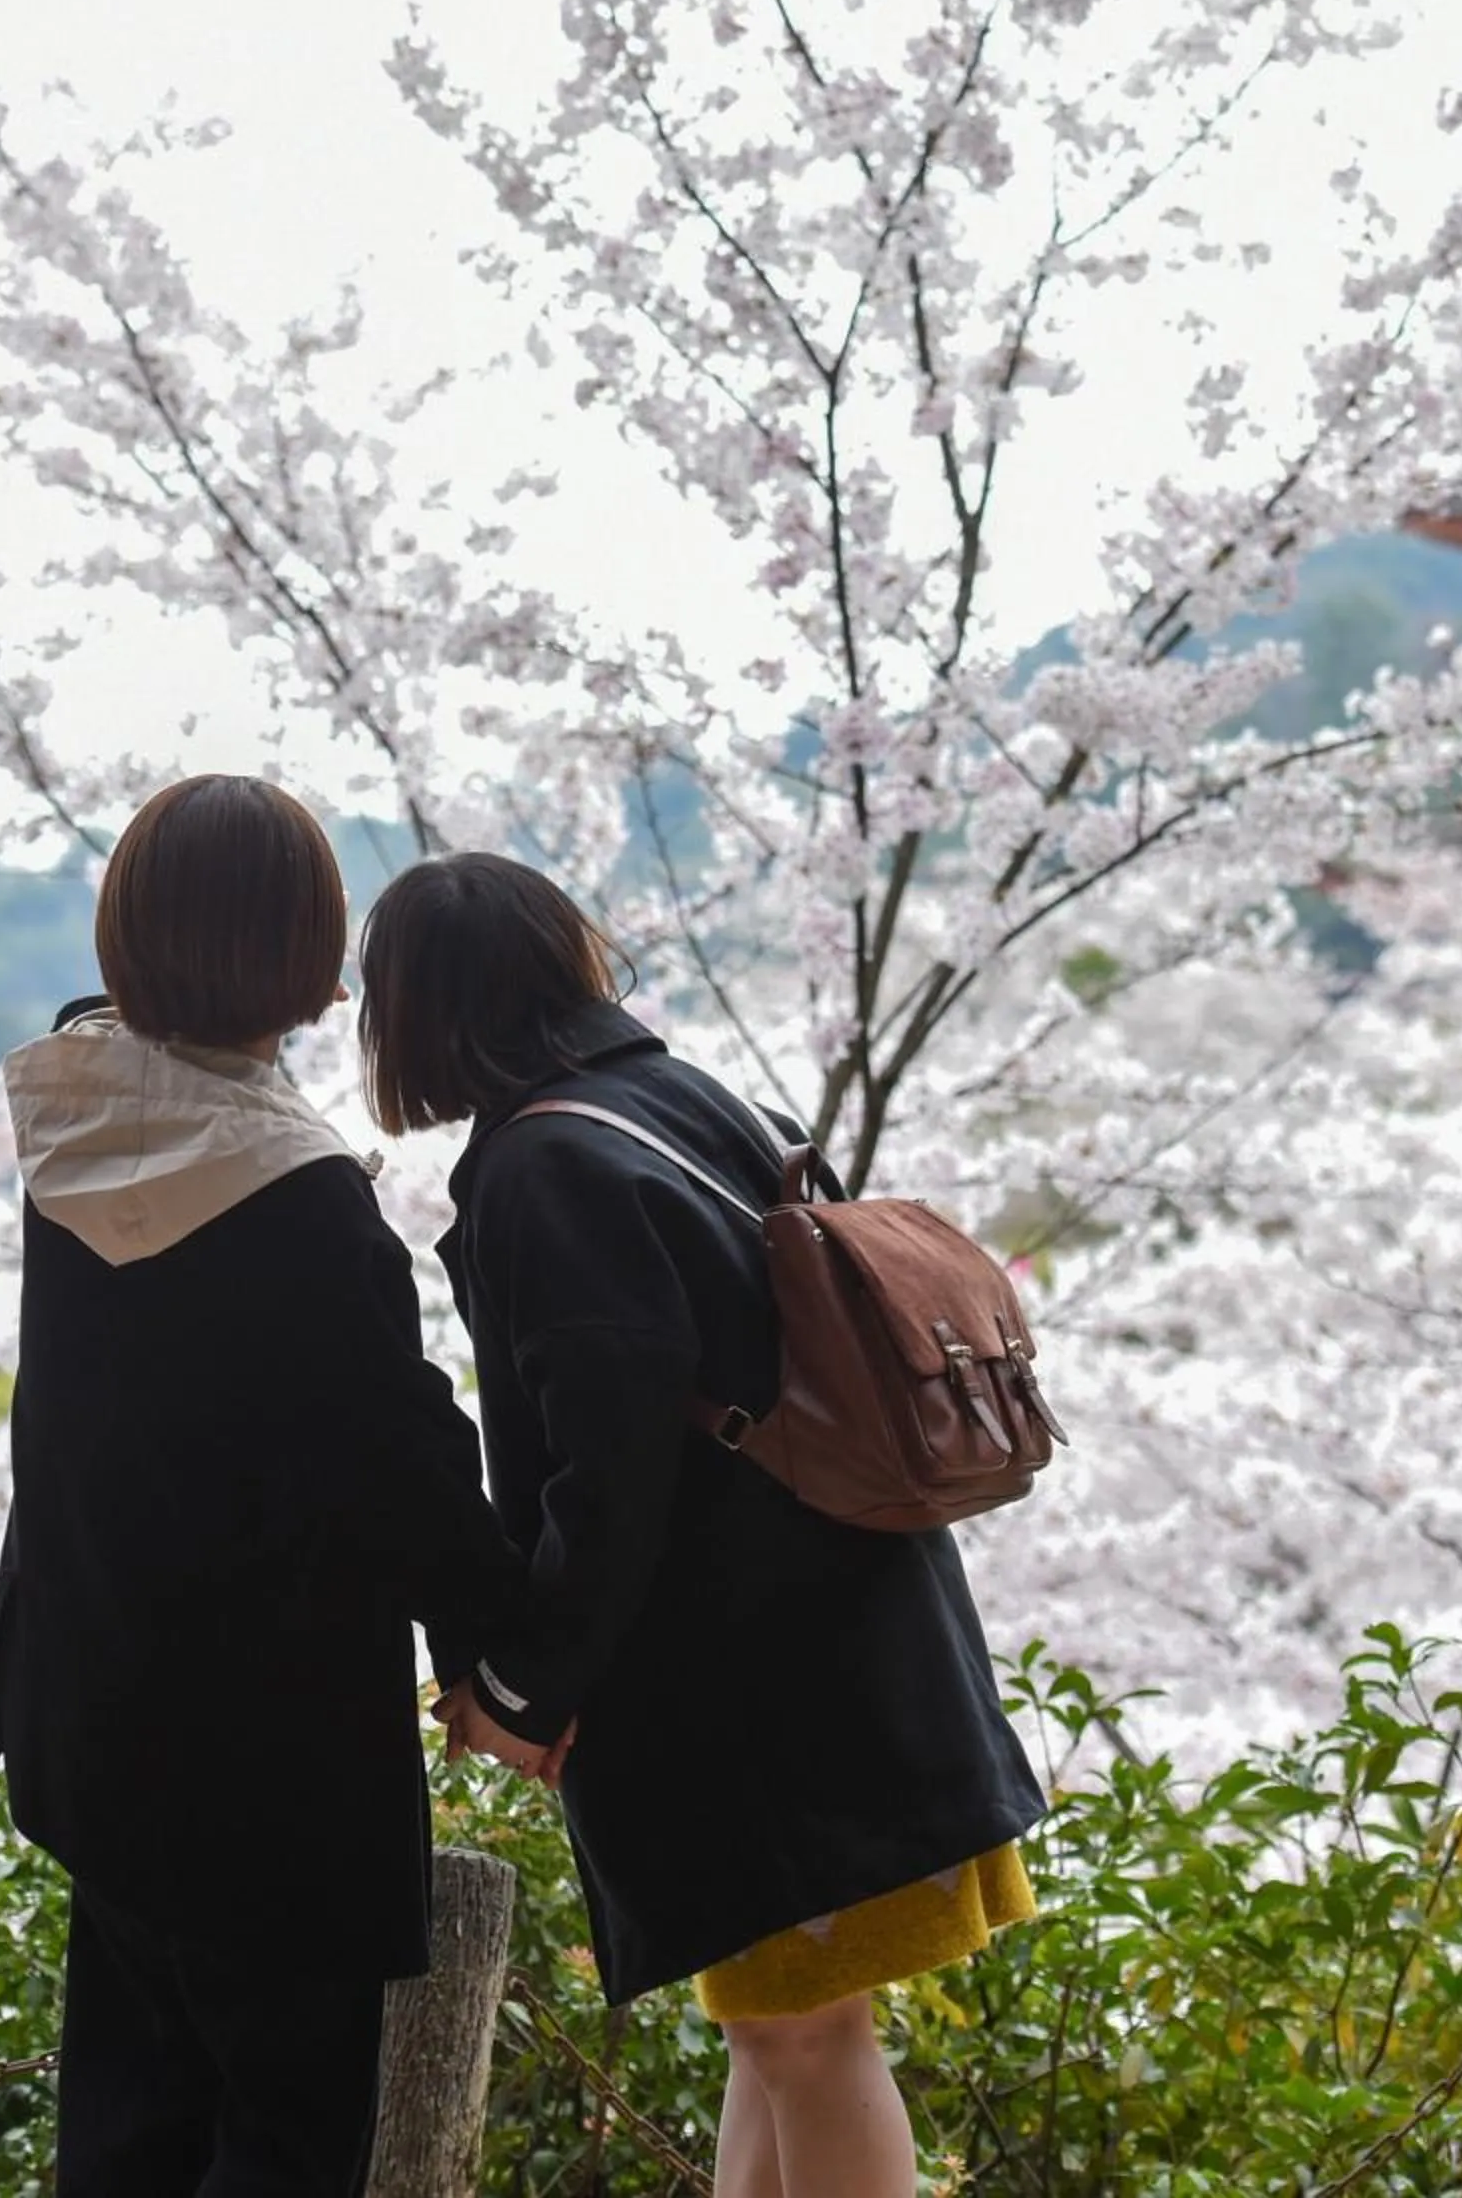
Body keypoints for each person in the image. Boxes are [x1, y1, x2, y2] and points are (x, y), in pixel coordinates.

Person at [356, 851, 1046, 2198]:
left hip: (756, 1691)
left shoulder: (546, 1165)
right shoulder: (688, 1102)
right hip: (859, 1630)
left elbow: (606, 1478)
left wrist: (521, 1682)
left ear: (421, 1013)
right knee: (775, 2032)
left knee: (805, 2035)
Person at [0, 777, 525, 2198]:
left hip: (90, 1712)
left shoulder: (75, 1127)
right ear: (305, 957)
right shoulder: (290, 1193)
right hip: (262, 1762)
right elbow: (401, 1457)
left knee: (128, 2125)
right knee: (282, 2134)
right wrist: (502, 1661)